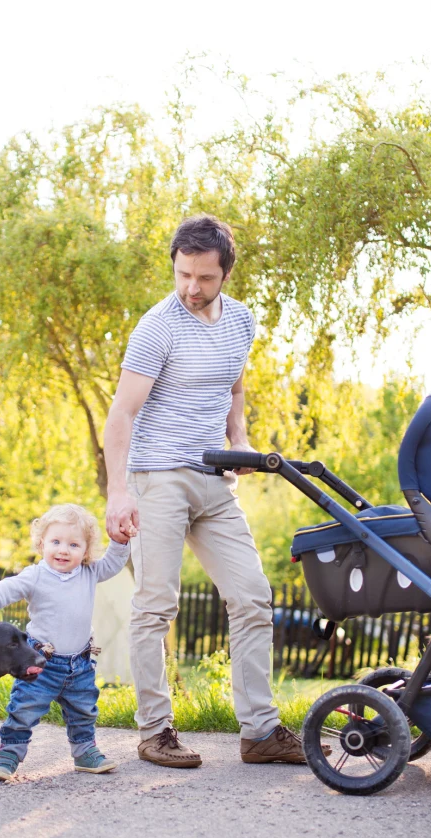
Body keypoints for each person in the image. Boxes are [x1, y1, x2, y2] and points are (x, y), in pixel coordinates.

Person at [103, 214, 319, 768]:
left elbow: (234, 384)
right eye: (182, 275)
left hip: (214, 479)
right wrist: (117, 492)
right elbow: (122, 414)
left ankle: (260, 732)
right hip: (158, 478)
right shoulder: (158, 327)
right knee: (157, 605)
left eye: (203, 278)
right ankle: (155, 731)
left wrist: (239, 438)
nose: (191, 288)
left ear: (226, 273)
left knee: (252, 596)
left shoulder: (241, 320)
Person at [0, 503, 131, 779]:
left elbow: (114, 563)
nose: (63, 550)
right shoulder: (36, 575)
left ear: (86, 551)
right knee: (25, 708)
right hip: (41, 663)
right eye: (56, 542)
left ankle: (85, 752)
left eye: (74, 545)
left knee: (84, 710)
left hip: (80, 664)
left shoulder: (90, 573)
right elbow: (8, 588)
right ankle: (8, 754)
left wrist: (120, 540)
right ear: (42, 544)